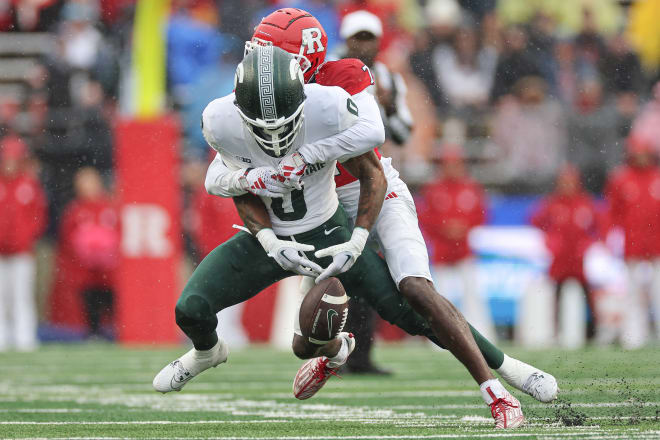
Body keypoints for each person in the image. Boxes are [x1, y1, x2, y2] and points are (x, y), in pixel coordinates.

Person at [153, 46, 525, 429]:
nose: (275, 135)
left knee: (411, 310)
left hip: (331, 232)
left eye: (284, 122)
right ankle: (209, 352)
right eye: (262, 126)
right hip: (272, 241)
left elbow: (373, 158)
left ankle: (500, 379)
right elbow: (220, 182)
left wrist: (356, 233)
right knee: (191, 308)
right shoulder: (221, 120)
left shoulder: (326, 107)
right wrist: (264, 227)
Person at [223, 7, 558, 413]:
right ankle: (338, 351)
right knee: (303, 340)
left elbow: (377, 132)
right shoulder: (259, 97)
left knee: (414, 288)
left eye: (271, 52)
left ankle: (498, 388)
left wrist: (310, 155)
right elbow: (219, 172)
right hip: (323, 209)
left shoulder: (342, 77)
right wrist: (248, 179)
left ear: (303, 58)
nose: (261, 64)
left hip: (372, 192)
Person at [333, 9, 414, 375]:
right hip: (334, 180)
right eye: (357, 37)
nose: (362, 45)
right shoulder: (327, 73)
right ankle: (333, 351)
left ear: (378, 41)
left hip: (374, 179)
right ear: (346, 40)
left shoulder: (388, 79)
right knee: (337, 272)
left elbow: (402, 132)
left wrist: (388, 105)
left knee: (366, 272)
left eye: (368, 38)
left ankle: (360, 355)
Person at [418, 144, 496, 342]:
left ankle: (482, 336)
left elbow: (483, 214)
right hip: (443, 251)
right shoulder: (434, 189)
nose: (453, 169)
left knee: (473, 295)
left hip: (464, 250)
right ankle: (440, 338)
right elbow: (424, 217)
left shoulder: (471, 188)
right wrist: (445, 227)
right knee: (440, 296)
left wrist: (464, 227)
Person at [531, 165, 604, 339]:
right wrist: (551, 239)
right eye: (564, 182)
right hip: (560, 260)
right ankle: (555, 332)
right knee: (557, 296)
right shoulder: (552, 203)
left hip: (579, 261)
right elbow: (535, 220)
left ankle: (592, 333)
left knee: (587, 296)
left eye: (570, 182)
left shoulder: (584, 203)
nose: (567, 186)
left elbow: (599, 225)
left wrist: (587, 243)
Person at [49, 167, 119, 338]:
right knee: (89, 300)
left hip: (108, 269)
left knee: (110, 300)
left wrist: (106, 249)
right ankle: (93, 332)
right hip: (85, 269)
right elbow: (67, 237)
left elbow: (119, 231)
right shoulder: (75, 210)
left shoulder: (109, 207)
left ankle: (113, 332)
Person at [605, 136, 660, 349]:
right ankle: (634, 335)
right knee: (632, 293)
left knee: (658, 292)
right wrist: (612, 238)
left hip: (657, 244)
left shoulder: (657, 178)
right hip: (634, 244)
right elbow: (613, 213)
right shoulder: (621, 179)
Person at [0, 135, 47, 351]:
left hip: (22, 251)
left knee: (22, 295)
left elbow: (38, 216)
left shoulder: (29, 185)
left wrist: (26, 238)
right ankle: (3, 337)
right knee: (2, 297)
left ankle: (24, 337)